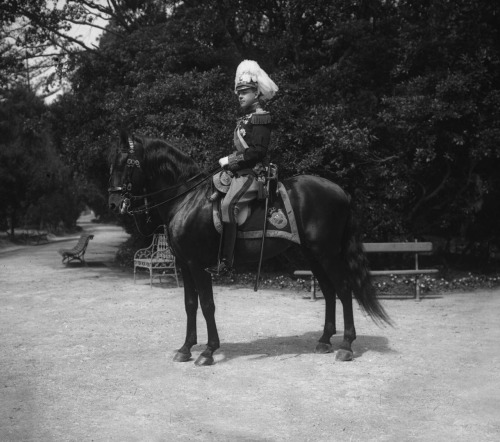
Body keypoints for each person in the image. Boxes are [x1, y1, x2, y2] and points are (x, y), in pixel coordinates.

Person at [206, 60, 278, 275]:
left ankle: (227, 263)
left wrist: (230, 160)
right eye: (238, 92)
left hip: (253, 175)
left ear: (256, 93)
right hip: (239, 173)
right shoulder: (245, 118)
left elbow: (257, 152)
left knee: (228, 205)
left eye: (244, 91)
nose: (239, 95)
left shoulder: (261, 118)